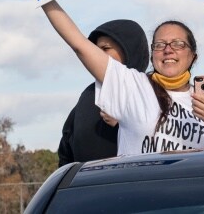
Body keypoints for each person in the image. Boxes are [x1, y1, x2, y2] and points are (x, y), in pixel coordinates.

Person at [20, 0, 204, 155]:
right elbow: (79, 43)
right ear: (152, 53)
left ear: (193, 56)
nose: (168, 50)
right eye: (160, 45)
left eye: (178, 44)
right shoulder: (132, 86)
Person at [58, 18, 149, 166]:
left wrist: (124, 125)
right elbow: (66, 154)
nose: (97, 55)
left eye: (105, 49)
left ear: (129, 50)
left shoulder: (154, 94)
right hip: (90, 187)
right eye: (95, 49)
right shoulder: (88, 96)